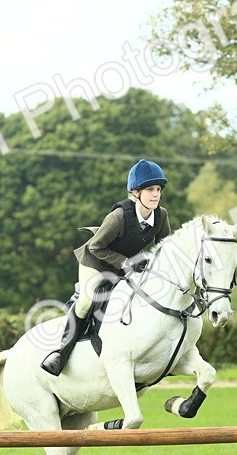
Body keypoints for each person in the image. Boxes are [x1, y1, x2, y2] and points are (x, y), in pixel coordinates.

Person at [40, 159, 173, 375]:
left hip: (125, 265)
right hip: (95, 262)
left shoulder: (161, 215)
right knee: (87, 300)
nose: (156, 194)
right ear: (136, 192)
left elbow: (165, 246)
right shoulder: (119, 216)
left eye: (159, 189)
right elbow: (96, 247)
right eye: (150, 189)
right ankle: (60, 354)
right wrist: (126, 263)